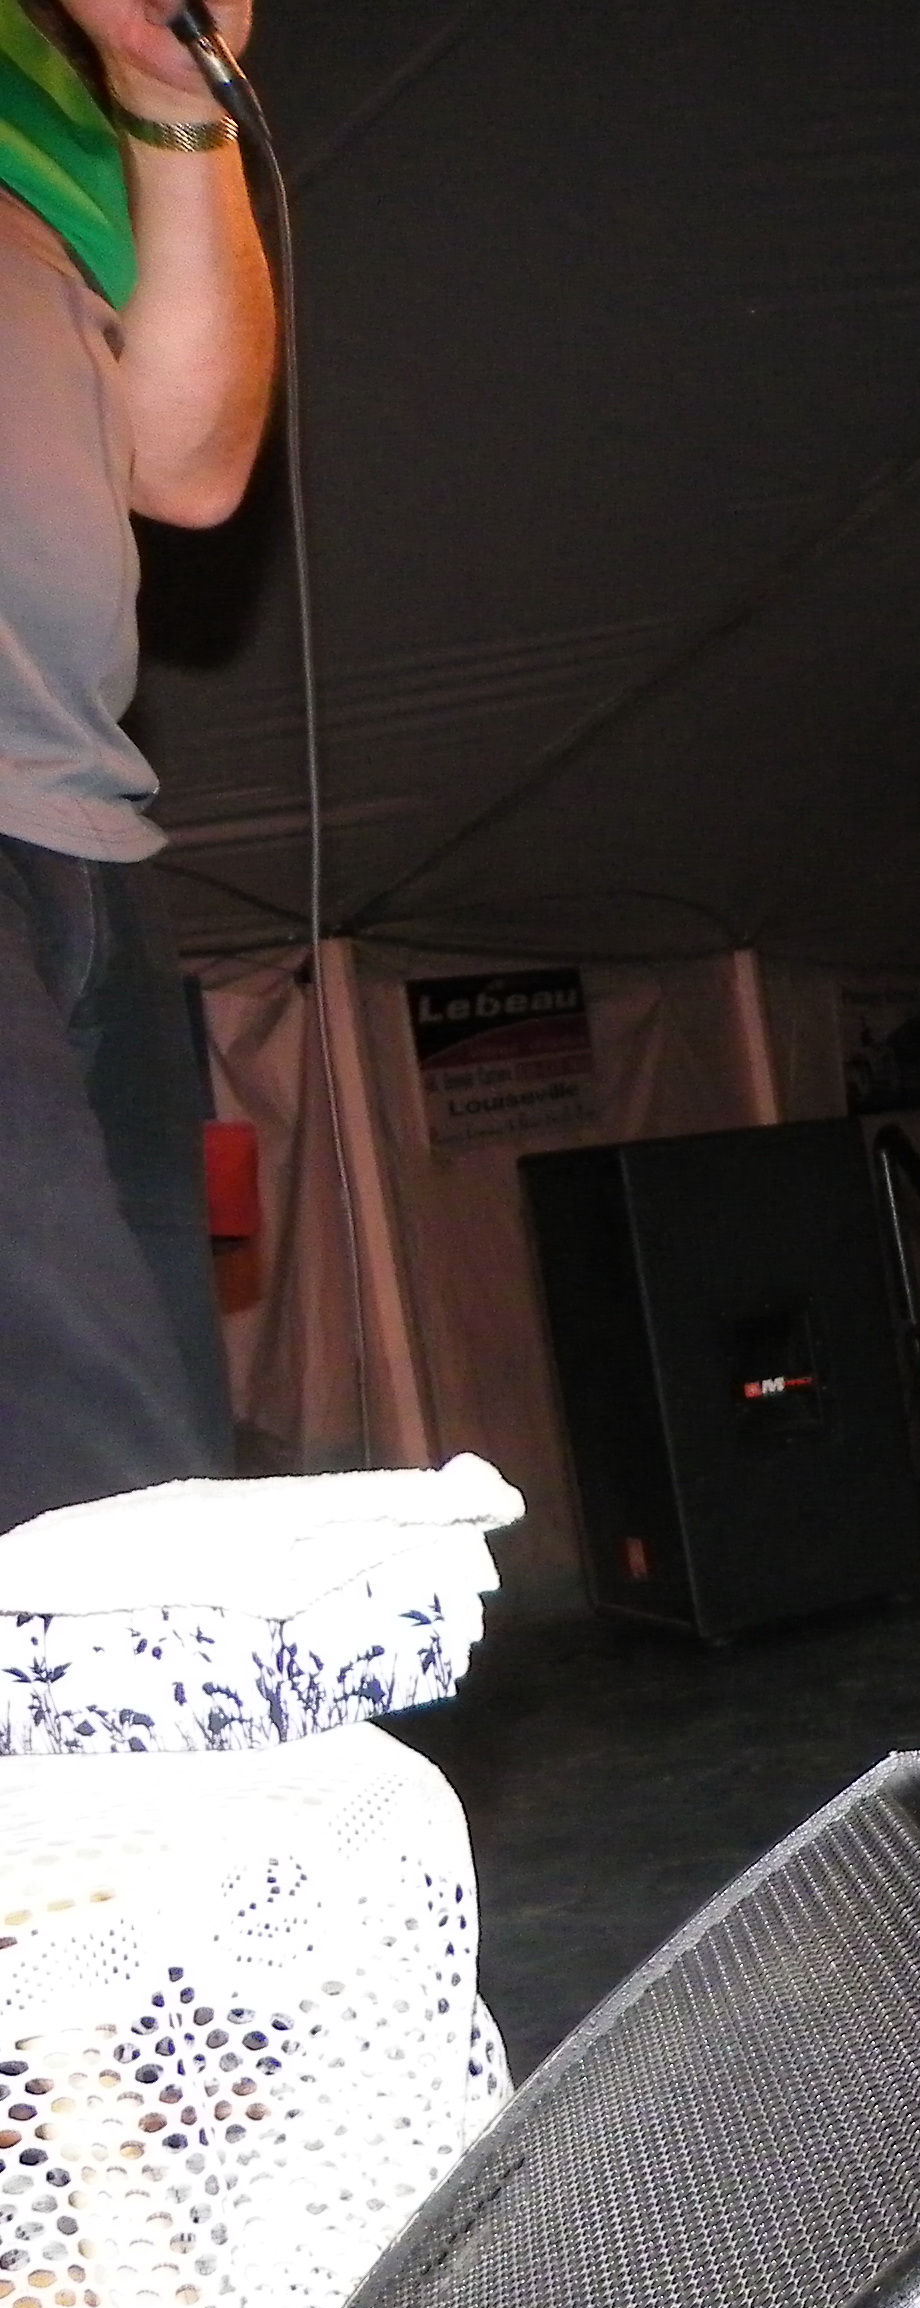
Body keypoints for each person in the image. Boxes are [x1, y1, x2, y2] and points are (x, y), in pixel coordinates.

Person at [2, 0, 273, 1530]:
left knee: (156, 1457)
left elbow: (191, 462)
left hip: (79, 822)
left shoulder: (47, 77)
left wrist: (170, 103)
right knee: (80, 1452)